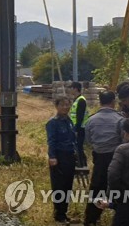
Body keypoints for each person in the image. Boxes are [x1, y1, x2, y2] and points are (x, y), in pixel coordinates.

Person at [83, 91, 124, 226]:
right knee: (120, 188)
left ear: (100, 102)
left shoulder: (91, 120)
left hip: (99, 158)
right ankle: (122, 218)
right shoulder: (120, 119)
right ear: (113, 101)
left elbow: (88, 140)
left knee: (97, 188)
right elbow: (124, 139)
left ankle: (91, 219)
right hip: (116, 158)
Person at [46, 95, 76, 224]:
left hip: (70, 156)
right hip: (59, 156)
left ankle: (64, 212)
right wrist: (52, 157)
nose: (65, 107)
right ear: (56, 106)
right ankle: (59, 214)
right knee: (59, 185)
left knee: (68, 185)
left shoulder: (69, 120)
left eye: (67, 104)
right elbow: (51, 141)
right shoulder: (53, 122)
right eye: (62, 105)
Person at [69, 81, 89, 168]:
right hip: (76, 127)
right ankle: (82, 162)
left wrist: (76, 129)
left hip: (80, 128)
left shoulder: (81, 100)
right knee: (77, 146)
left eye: (71, 88)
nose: (70, 90)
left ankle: (82, 164)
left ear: (75, 88)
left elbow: (80, 117)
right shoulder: (77, 99)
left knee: (79, 146)